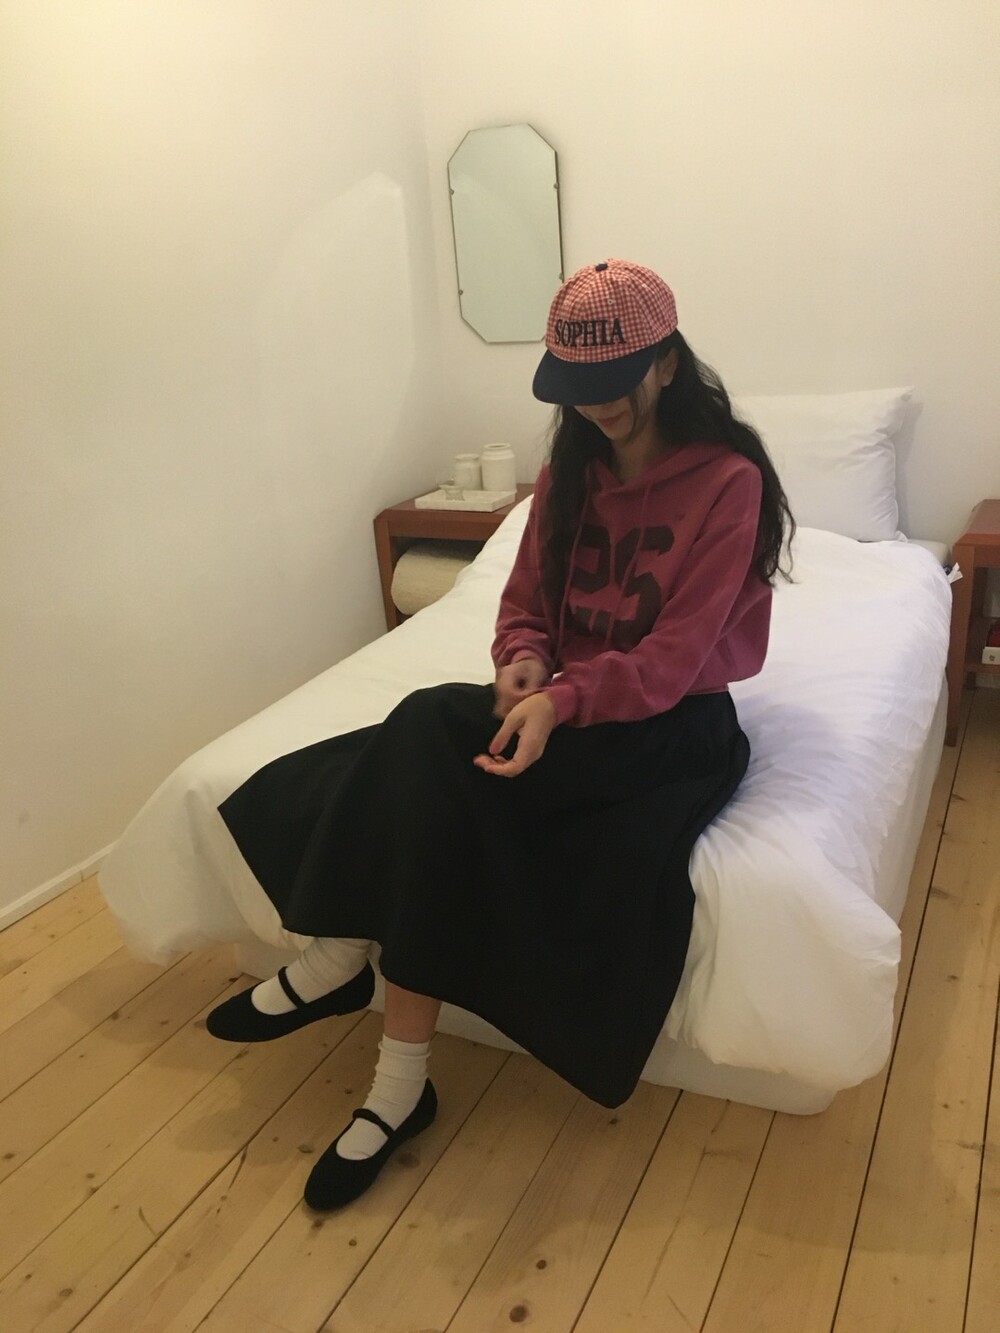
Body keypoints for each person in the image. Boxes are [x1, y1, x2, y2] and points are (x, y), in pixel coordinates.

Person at [206, 259, 795, 1212]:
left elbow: (674, 659)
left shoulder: (729, 484)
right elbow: (523, 604)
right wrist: (523, 661)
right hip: (566, 704)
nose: (596, 403)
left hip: (670, 729)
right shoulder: (566, 477)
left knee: (424, 737)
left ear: (668, 363)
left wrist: (560, 700)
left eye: (615, 381)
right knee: (437, 771)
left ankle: (342, 962)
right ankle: (394, 1076)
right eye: (578, 385)